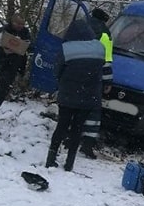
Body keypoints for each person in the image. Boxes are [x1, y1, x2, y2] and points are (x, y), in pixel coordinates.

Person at [45, 18, 105, 172]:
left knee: (62, 126)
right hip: (89, 96)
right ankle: (70, 162)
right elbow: (101, 68)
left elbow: (57, 71)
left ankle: (51, 158)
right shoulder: (100, 47)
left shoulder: (66, 48)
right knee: (78, 129)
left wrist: (65, 82)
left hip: (68, 95)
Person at [79, 7, 113, 159]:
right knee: (92, 112)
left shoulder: (79, 27)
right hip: (93, 76)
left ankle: (68, 138)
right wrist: (108, 81)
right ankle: (86, 145)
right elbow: (106, 60)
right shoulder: (105, 34)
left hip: (73, 74)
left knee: (73, 107)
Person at [0, 12, 30, 112]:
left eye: (22, 24)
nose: (20, 26)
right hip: (2, 62)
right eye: (18, 24)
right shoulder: (3, 31)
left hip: (15, 63)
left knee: (7, 85)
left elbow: (28, 46)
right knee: (4, 83)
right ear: (13, 22)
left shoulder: (25, 32)